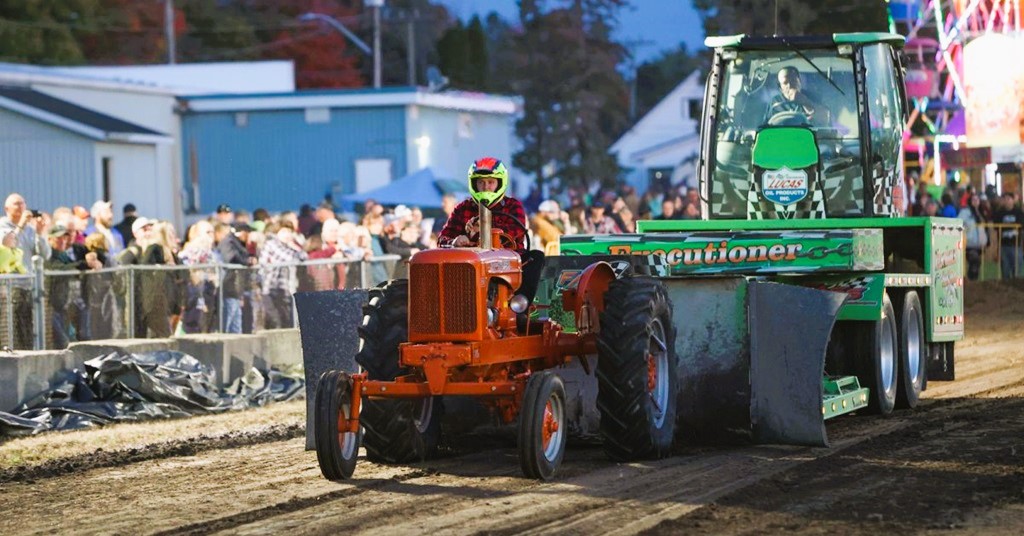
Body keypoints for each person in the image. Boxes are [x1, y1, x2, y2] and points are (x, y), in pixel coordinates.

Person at [437, 157, 544, 308]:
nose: (486, 187)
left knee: (536, 257)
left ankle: (519, 307)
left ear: (499, 183)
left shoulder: (513, 205)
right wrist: (454, 241)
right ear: (474, 184)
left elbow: (516, 232)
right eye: (481, 182)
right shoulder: (462, 208)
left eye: (490, 182)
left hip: (508, 262)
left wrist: (484, 229)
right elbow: (443, 238)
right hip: (469, 264)